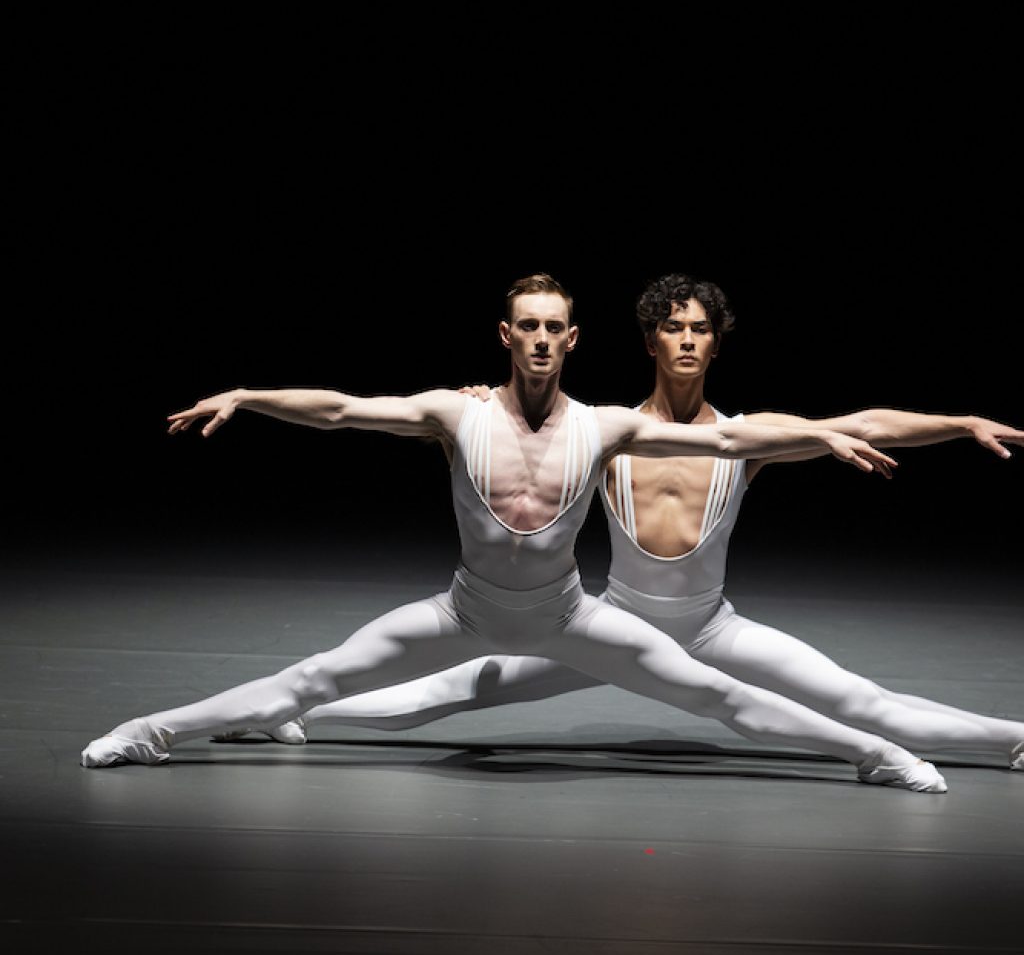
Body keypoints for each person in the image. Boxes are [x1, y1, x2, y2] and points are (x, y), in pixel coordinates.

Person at [82, 273, 946, 793]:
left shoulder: (604, 425)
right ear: (508, 335)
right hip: (465, 611)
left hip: (568, 617)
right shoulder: (453, 414)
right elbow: (342, 410)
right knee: (308, 679)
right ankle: (148, 731)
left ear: (573, 339)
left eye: (552, 328)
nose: (539, 339)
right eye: (525, 326)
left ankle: (874, 754)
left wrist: (823, 437)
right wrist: (247, 395)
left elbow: (726, 436)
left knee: (720, 699)